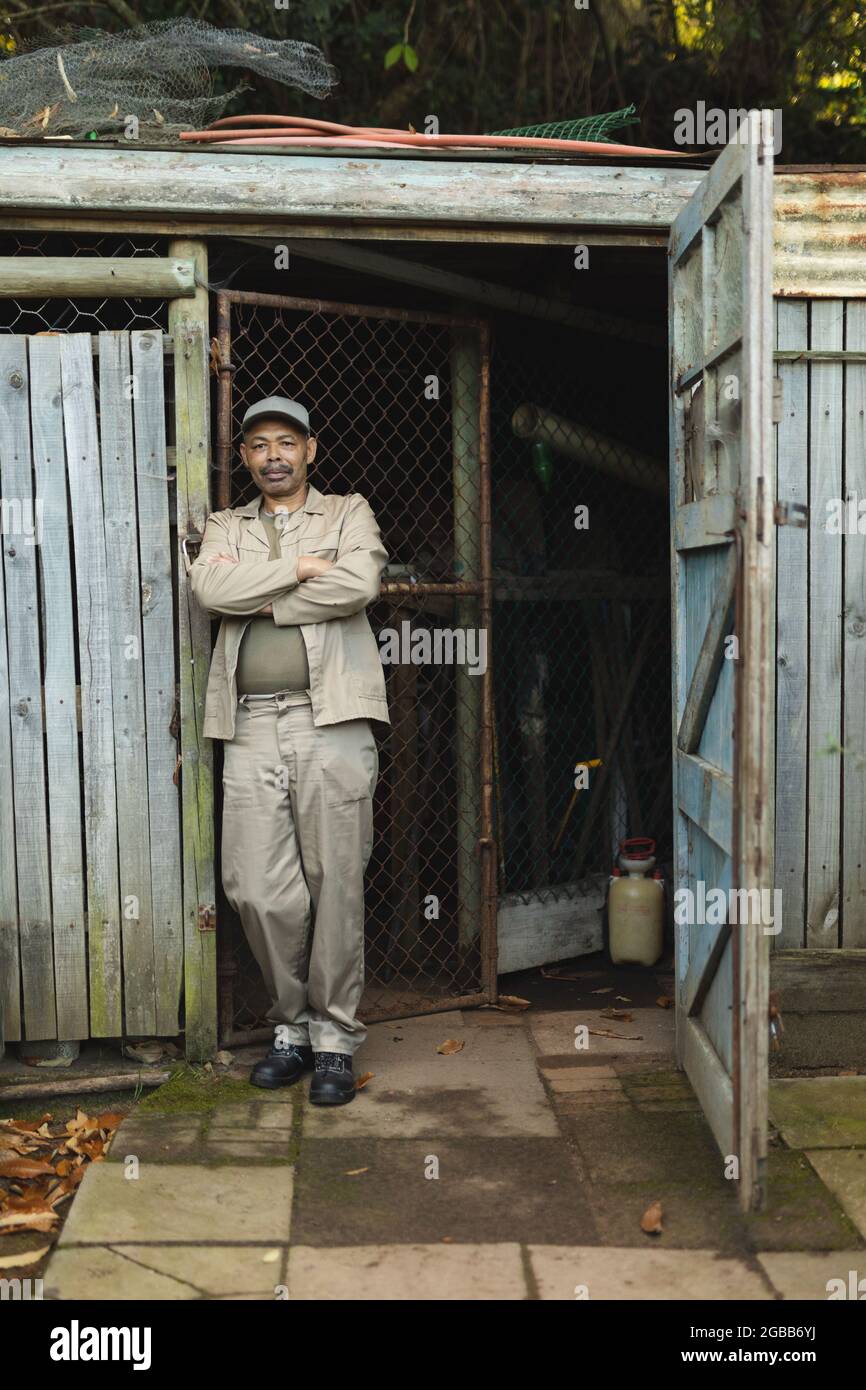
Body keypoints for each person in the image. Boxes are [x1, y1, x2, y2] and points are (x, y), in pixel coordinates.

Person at [188, 396, 390, 1105]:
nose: (272, 455)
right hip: (248, 724)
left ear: (310, 450)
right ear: (244, 457)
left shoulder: (348, 512)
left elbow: (360, 582)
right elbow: (210, 587)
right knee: (253, 885)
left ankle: (333, 1039)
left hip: (330, 718)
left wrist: (268, 598)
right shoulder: (224, 524)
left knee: (335, 877)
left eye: (286, 442)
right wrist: (303, 570)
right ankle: (290, 1026)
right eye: (258, 445)